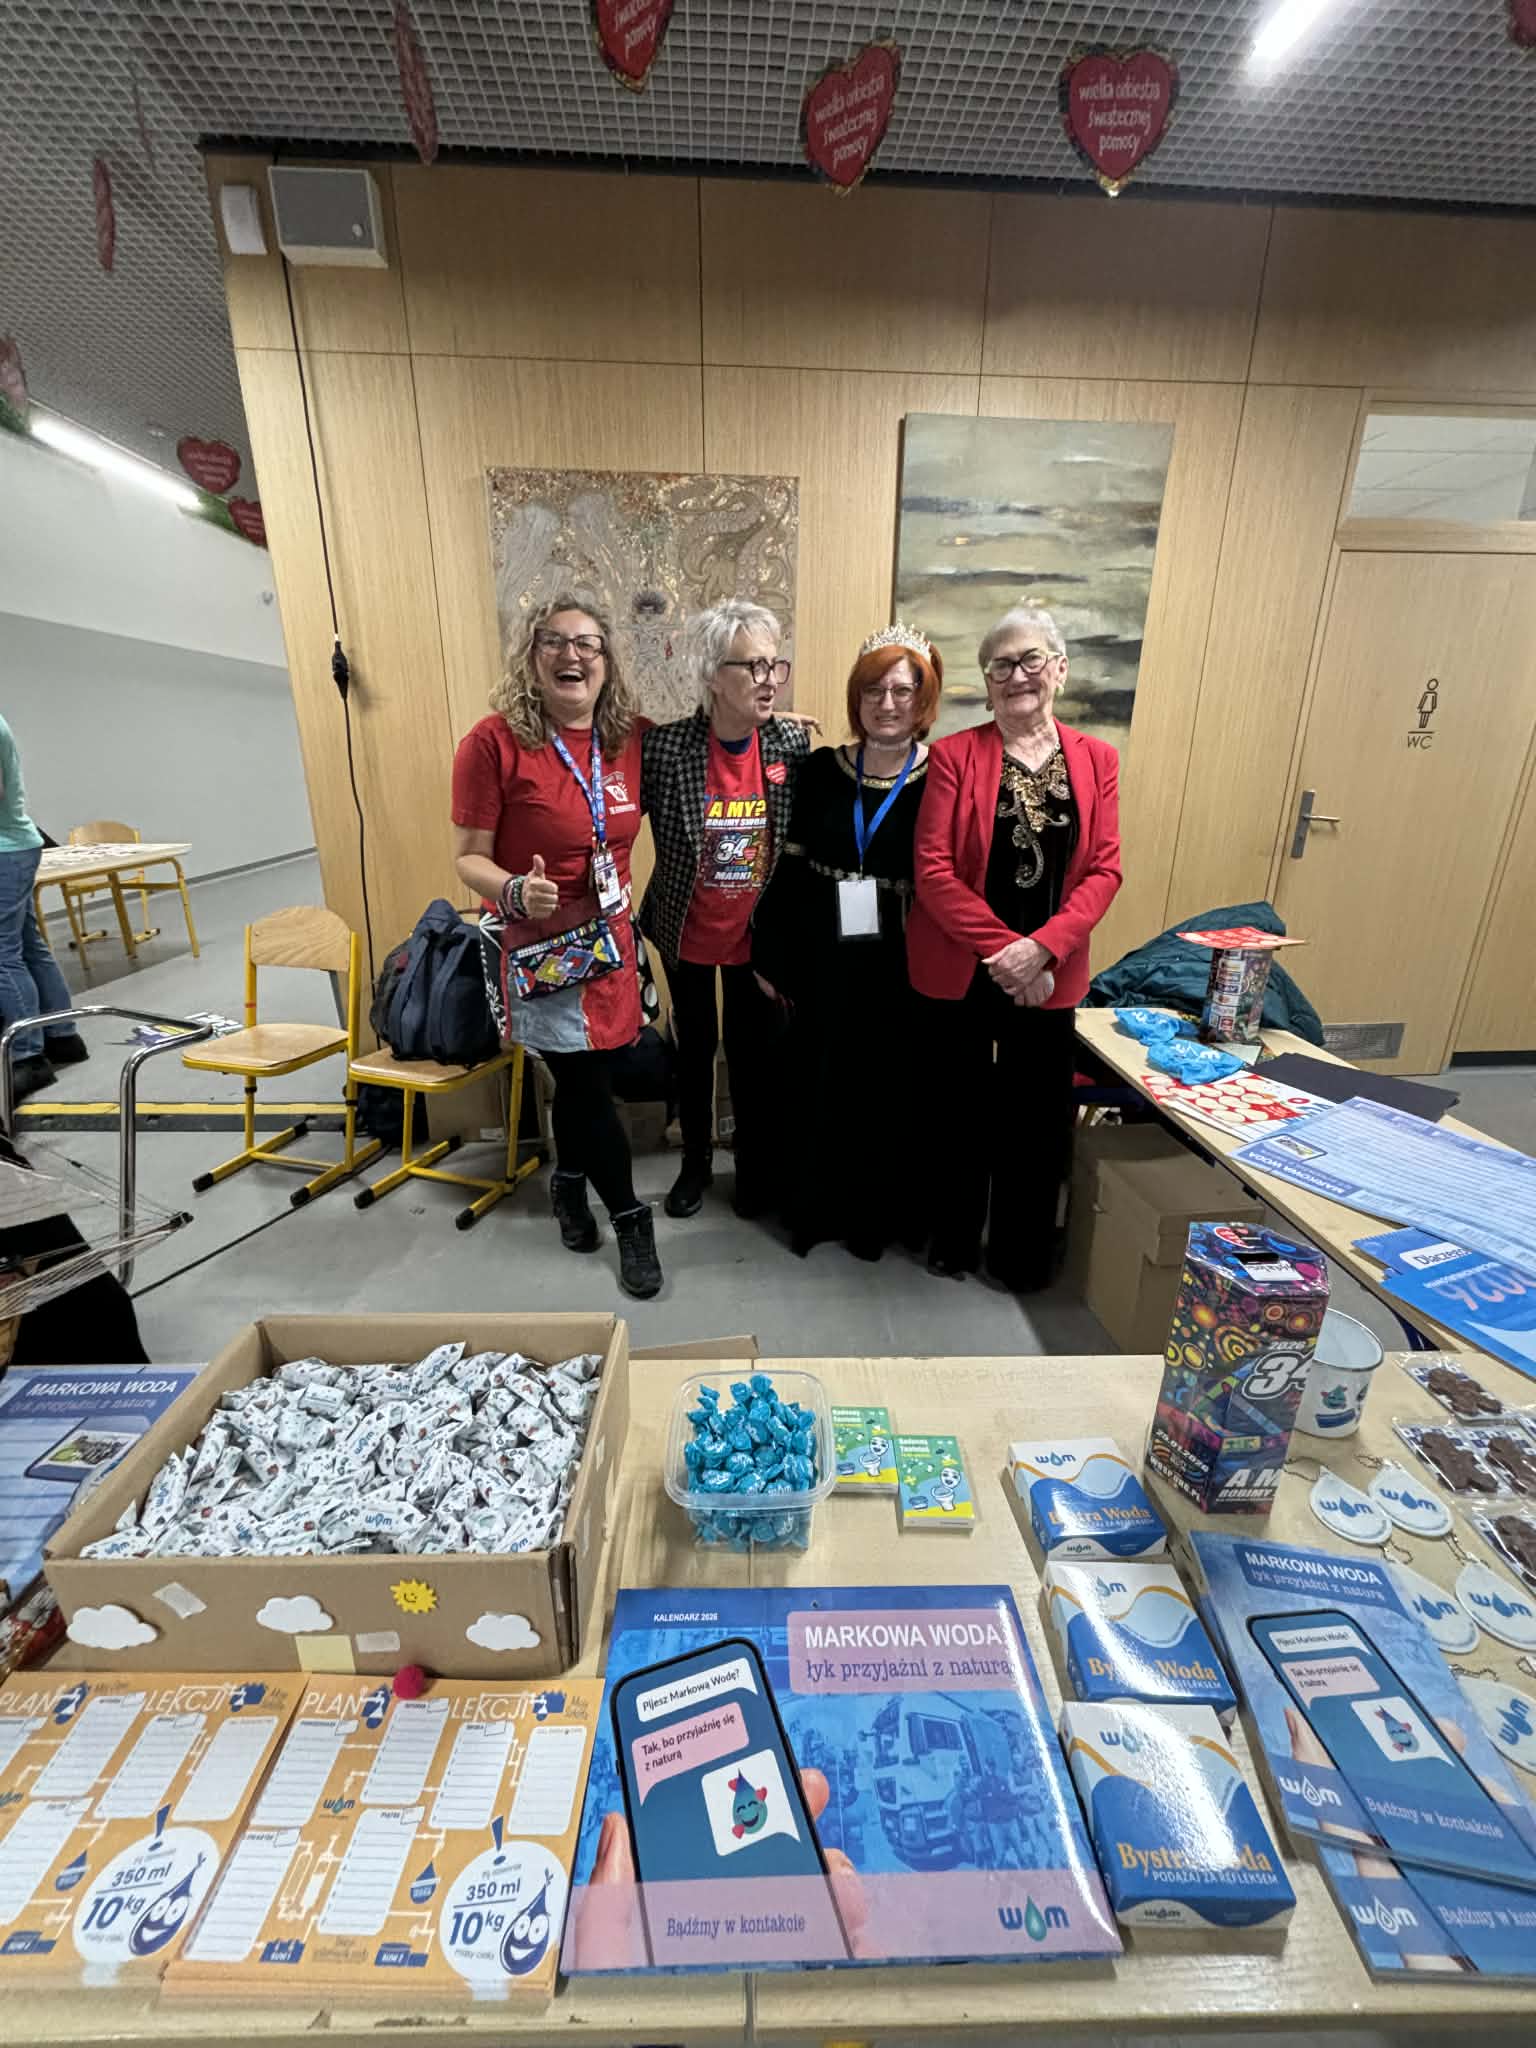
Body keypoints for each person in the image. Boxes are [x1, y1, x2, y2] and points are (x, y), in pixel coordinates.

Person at [451, 594, 662, 1300]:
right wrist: (514, 890)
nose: (572, 655)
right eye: (554, 641)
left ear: (606, 660)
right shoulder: (493, 743)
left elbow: (714, 745)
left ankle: (568, 1182)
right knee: (586, 1085)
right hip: (543, 947)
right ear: (531, 656)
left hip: (612, 945)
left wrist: (769, 722)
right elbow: (468, 857)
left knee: (588, 1081)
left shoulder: (632, 737)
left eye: (587, 643)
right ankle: (631, 1219)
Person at [907, 603, 1121, 1291]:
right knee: (958, 1110)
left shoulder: (1098, 760)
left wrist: (1044, 951)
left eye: (1031, 659)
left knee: (1037, 1118)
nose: (1017, 675)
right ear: (987, 682)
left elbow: (1104, 870)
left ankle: (1022, 1256)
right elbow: (933, 871)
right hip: (964, 963)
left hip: (1052, 971)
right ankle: (954, 1241)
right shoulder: (953, 757)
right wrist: (1008, 952)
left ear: (1059, 669)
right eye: (1001, 666)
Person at [753, 623, 939, 1260]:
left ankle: (877, 1219)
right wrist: (769, 951)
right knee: (819, 1080)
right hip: (824, 955)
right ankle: (816, 1209)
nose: (886, 704)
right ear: (856, 698)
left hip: (902, 960)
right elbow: (790, 865)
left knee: (889, 1089)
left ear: (923, 698)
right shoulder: (820, 770)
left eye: (902, 691)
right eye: (872, 691)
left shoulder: (943, 776)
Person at [640, 600, 810, 1221]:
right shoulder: (665, 750)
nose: (769, 679)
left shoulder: (790, 741)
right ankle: (694, 1165)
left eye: (775, 665)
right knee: (694, 1052)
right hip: (685, 928)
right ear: (713, 674)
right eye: (753, 667)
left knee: (750, 1054)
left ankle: (752, 1167)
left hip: (754, 939)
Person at [0, 714, 87, 1105]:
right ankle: (63, 1037)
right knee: (29, 947)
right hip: (15, 846)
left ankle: (28, 1056)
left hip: (5, 850)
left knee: (3, 956)